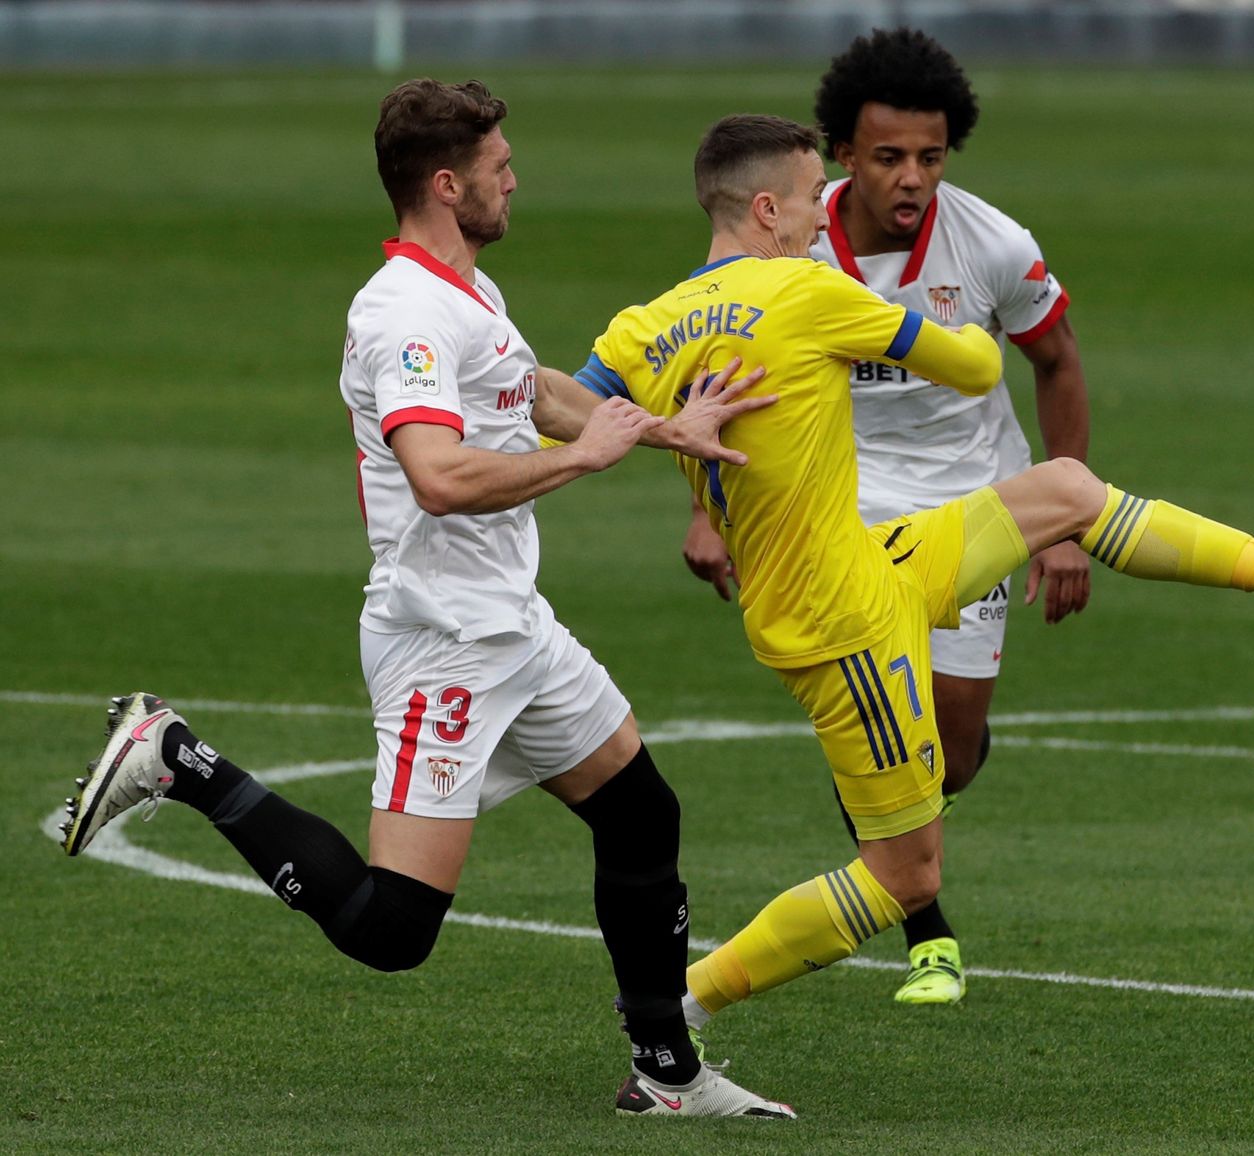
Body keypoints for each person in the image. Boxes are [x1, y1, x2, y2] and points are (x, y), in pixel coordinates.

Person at [574, 112, 1254, 1054]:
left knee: (1066, 490)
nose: (821, 218)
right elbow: (976, 365)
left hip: (874, 560)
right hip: (841, 623)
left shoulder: (645, 326)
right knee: (904, 878)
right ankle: (676, 1007)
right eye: (813, 199)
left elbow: (558, 407)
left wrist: (662, 428)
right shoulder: (809, 290)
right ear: (767, 209)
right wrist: (890, 325)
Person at [58, 78, 794, 1122]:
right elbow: (438, 477)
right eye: (500, 168)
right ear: (448, 185)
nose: (515, 181)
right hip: (443, 642)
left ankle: (667, 1075)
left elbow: (535, 389)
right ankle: (179, 760)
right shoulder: (403, 312)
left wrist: (660, 425)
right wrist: (585, 458)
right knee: (391, 930)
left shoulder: (466, 292)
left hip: (515, 626)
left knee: (640, 813)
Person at [682, 28, 1091, 1007]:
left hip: (971, 500)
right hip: (843, 511)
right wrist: (706, 511)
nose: (912, 178)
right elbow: (714, 381)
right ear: (841, 153)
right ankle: (924, 922)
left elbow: (1057, 361)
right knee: (877, 729)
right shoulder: (785, 243)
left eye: (931, 157)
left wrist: (1067, 522)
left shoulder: (993, 245)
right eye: (888, 156)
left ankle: (907, 837)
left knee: (950, 754)